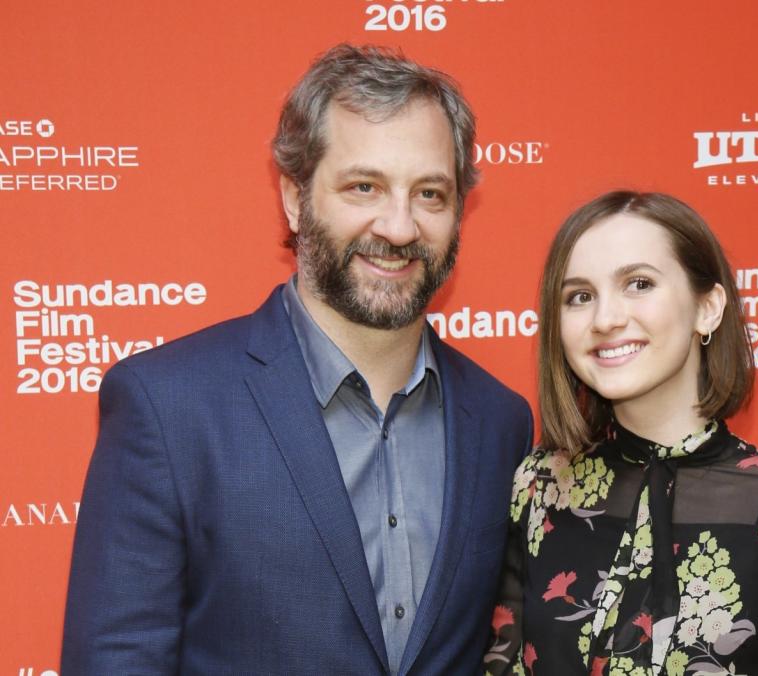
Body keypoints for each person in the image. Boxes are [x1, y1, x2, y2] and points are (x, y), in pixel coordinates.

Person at [62, 44, 532, 676]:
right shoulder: (168, 406)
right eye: (364, 186)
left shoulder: (501, 422)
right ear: (294, 197)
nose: (398, 226)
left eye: (429, 193)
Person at [485, 191, 758, 675]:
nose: (605, 319)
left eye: (639, 284)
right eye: (580, 296)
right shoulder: (539, 485)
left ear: (708, 308)